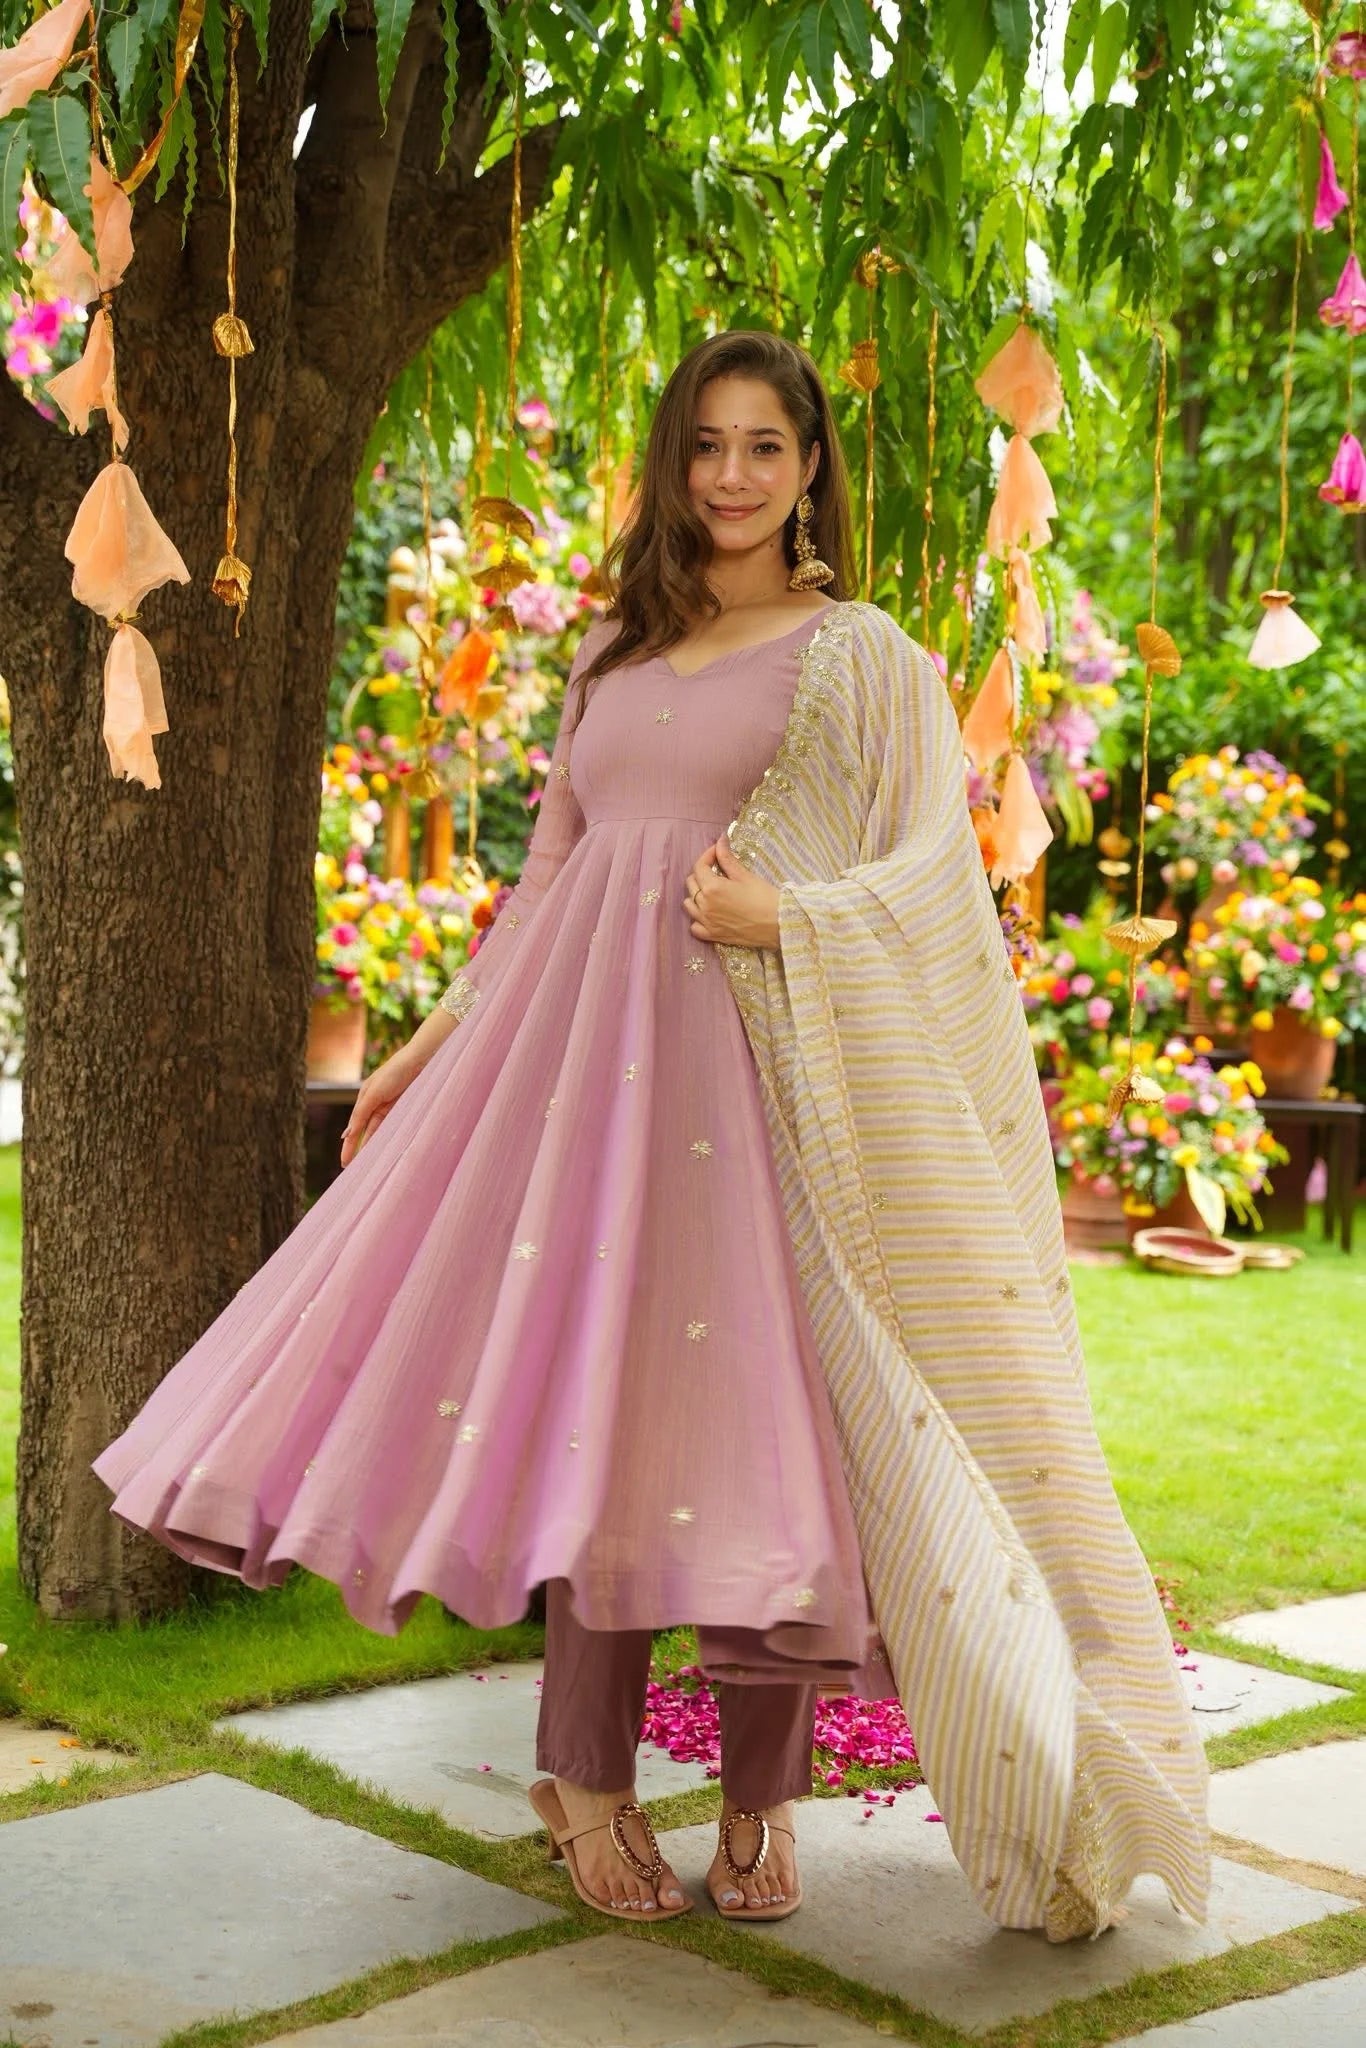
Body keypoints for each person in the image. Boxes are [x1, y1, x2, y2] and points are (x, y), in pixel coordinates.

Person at [93, 329, 1211, 1941]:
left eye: (764, 446)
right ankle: (584, 1785)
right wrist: (423, 1050)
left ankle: (760, 1801)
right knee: (594, 1424)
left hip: (761, 1098)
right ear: (670, 465)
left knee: (766, 1438)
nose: (731, 476)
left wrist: (788, 918)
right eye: (704, 445)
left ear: (809, 467)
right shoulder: (612, 649)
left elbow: (930, 881)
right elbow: (551, 874)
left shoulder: (860, 657)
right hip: (579, 1097)